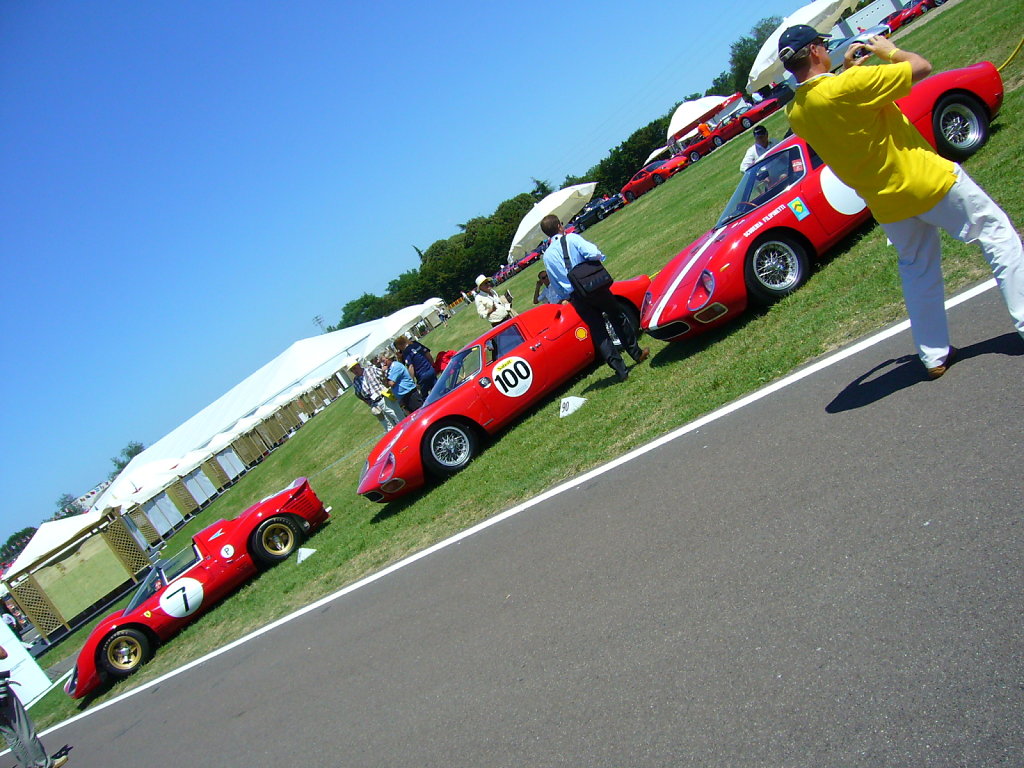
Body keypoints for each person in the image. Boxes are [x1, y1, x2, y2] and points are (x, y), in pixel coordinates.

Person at [779, 24, 1024, 379]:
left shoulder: (796, 112)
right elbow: (921, 66)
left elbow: (841, 108)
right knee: (997, 236)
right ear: (816, 52)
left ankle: (934, 355)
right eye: (823, 46)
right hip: (925, 179)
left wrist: (849, 70)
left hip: (885, 201)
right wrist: (888, 50)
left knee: (918, 272)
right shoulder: (844, 87)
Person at [540, 214, 649, 382]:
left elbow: (555, 282)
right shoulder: (572, 239)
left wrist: (565, 296)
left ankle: (620, 370)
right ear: (560, 226)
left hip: (576, 296)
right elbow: (593, 253)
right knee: (617, 317)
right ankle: (636, 353)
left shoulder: (546, 257)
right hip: (594, 286)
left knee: (598, 331)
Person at [0, 645, 67, 767]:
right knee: (23, 729)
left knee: (10, 736)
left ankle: (30, 766)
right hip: (2, 693)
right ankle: (44, 763)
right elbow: (3, 654)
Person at [347, 358, 406, 431]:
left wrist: (385, 388)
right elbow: (359, 394)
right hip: (375, 405)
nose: (354, 371)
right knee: (389, 428)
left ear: (359, 365)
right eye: (352, 370)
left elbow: (384, 376)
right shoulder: (356, 381)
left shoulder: (371, 369)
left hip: (385, 398)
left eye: (355, 368)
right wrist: (369, 403)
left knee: (400, 419)